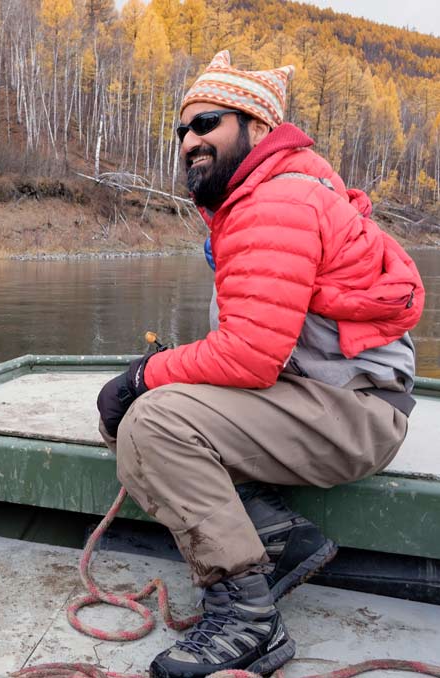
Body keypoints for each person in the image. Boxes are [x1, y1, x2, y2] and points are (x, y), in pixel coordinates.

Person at [97, 51, 423, 678]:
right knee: (151, 411)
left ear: (258, 128)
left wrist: (143, 376)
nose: (190, 141)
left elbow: (249, 355)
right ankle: (278, 534)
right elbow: (259, 343)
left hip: (353, 413)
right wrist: (159, 374)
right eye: (183, 129)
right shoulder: (270, 193)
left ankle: (248, 619)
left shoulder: (274, 203)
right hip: (329, 399)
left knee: (153, 422)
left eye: (208, 123)